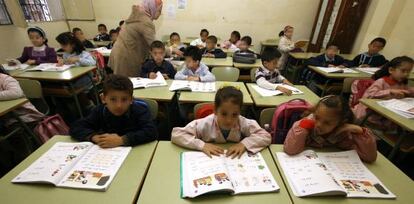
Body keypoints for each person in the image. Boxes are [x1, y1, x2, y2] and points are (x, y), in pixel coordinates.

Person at [172, 86, 271, 158]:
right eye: (224, 114)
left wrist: (244, 144)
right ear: (215, 110)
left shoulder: (243, 122)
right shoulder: (205, 123)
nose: (229, 120)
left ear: (240, 112)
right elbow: (177, 134)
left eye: (234, 114)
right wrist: (202, 145)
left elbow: (265, 136)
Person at [70, 74, 158, 147]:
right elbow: (76, 127)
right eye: (113, 99)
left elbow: (151, 132)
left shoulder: (140, 110)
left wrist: (122, 140)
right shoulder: (99, 111)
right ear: (103, 99)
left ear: (131, 100)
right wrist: (93, 137)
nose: (119, 106)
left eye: (124, 100)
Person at [284, 95, 377, 163]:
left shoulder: (345, 133)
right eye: (317, 117)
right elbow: (290, 150)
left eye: (327, 123)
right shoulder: (304, 125)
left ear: (342, 122)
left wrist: (360, 131)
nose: (319, 125)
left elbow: (369, 158)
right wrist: (302, 128)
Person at [109, 0, 163, 77]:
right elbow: (155, 45)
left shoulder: (137, 15)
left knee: (121, 82)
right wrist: (171, 50)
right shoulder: (145, 21)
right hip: (126, 57)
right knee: (126, 84)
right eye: (159, 10)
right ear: (152, 8)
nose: (160, 13)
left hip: (119, 53)